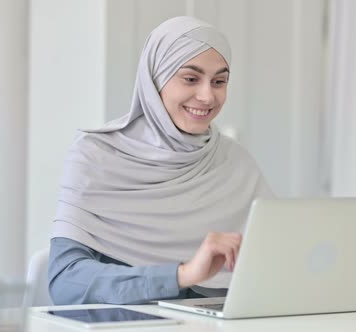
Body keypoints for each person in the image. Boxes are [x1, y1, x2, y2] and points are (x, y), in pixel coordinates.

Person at [48, 16, 273, 305]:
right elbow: (66, 282)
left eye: (219, 81)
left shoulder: (236, 162)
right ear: (155, 80)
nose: (207, 96)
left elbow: (277, 262)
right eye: (190, 79)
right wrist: (181, 275)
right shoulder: (96, 155)